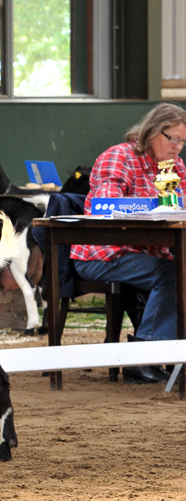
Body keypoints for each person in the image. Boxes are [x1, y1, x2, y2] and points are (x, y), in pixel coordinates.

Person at [71, 103, 186, 384]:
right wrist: (151, 207)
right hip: (104, 254)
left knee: (178, 270)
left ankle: (173, 357)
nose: (178, 148)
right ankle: (141, 358)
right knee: (172, 274)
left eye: (183, 142)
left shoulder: (171, 167)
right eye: (174, 139)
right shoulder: (119, 157)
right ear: (152, 132)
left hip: (148, 253)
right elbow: (106, 209)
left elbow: (177, 208)